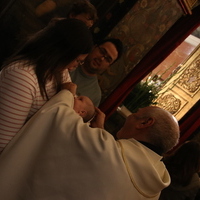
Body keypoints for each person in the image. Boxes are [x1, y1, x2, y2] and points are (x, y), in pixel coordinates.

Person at [0, 90, 180, 200]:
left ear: (145, 123)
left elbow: (59, 119)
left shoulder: (106, 151)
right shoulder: (155, 189)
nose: (130, 116)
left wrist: (67, 94)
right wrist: (100, 131)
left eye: (136, 114)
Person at [0, 18, 94, 154]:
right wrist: (69, 95)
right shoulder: (23, 77)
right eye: (77, 60)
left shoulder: (60, 71)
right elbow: (3, 143)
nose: (74, 67)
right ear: (62, 52)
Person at [70, 38, 123, 107]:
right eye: (102, 52)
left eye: (107, 59)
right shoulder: (70, 60)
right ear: (94, 47)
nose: (101, 58)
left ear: (108, 66)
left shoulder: (95, 94)